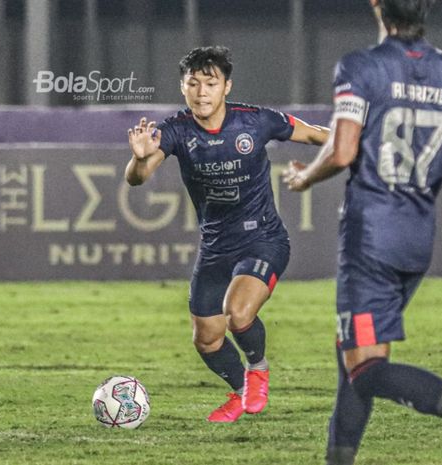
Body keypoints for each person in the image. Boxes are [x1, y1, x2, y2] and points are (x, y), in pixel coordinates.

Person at [282, 1, 442, 464]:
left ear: (378, 5)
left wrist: (303, 178)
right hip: (416, 239)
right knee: (352, 356)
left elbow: (341, 151)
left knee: (366, 369)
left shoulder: (362, 67)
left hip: (370, 238)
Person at [125, 46, 329, 422]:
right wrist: (139, 158)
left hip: (263, 239)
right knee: (207, 339)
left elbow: (317, 136)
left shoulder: (256, 121)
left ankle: (258, 369)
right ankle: (239, 393)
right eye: (194, 83)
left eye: (211, 83)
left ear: (226, 87)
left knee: (237, 313)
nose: (202, 92)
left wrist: (354, 144)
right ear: (183, 87)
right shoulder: (174, 130)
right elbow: (137, 179)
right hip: (216, 247)